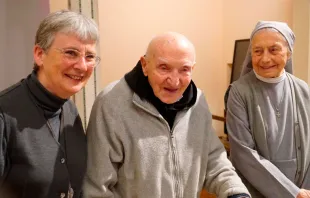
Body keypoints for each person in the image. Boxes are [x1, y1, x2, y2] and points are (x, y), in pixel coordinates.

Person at [83, 32, 250, 198]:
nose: (174, 81)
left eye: (184, 70)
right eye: (164, 68)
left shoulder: (198, 101)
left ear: (193, 68)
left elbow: (212, 158)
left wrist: (235, 191)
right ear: (144, 65)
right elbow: (97, 187)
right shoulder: (111, 103)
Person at [0, 10, 100, 198]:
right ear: (39, 54)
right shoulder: (4, 114)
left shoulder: (69, 108)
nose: (82, 66)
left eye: (90, 57)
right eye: (71, 53)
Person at [226, 21, 310, 198]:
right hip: (255, 189)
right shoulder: (239, 92)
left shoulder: (303, 90)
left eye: (274, 49)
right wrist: (292, 193)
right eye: (258, 51)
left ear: (288, 53)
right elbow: (243, 154)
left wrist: (303, 191)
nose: (265, 59)